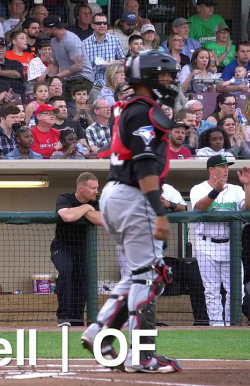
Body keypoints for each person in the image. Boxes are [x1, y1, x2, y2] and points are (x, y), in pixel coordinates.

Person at [80, 50, 183, 373]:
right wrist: (160, 212)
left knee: (141, 273)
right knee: (150, 275)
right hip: (133, 194)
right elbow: (145, 163)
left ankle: (99, 332)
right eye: (163, 75)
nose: (168, 80)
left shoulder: (133, 108)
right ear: (148, 77)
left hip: (118, 194)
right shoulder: (143, 111)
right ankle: (141, 354)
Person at [190, 155, 250, 326]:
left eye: (227, 167)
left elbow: (248, 208)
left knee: (236, 291)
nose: (226, 170)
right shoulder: (198, 188)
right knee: (212, 291)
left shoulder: (236, 189)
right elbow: (200, 208)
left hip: (231, 245)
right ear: (211, 169)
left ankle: (232, 325)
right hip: (206, 245)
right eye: (222, 166)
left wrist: (247, 185)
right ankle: (216, 327)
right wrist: (215, 191)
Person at [51, 173, 101, 327]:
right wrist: (86, 208)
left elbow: (101, 219)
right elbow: (67, 216)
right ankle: (63, 316)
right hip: (62, 246)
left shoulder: (97, 202)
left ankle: (77, 319)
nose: (96, 191)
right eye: (93, 188)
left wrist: (80, 212)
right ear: (81, 188)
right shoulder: (65, 198)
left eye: (97, 188)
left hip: (83, 250)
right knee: (66, 272)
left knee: (82, 281)